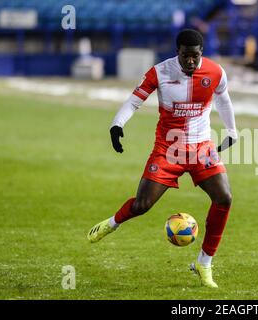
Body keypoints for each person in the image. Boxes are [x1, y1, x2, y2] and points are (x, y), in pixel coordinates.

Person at [87, 29, 237, 289]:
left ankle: (204, 263)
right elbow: (134, 101)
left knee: (224, 198)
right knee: (142, 205)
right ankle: (112, 223)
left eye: (195, 56)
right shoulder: (160, 72)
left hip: (202, 147)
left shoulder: (215, 72)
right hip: (168, 149)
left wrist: (232, 130)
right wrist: (117, 124)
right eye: (185, 56)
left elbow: (223, 101)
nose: (191, 61)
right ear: (177, 52)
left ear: (201, 53)